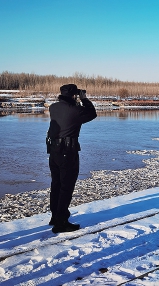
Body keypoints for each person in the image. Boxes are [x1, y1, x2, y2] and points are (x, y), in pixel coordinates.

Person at [46, 84, 97, 233]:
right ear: (74, 95)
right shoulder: (75, 110)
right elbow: (92, 113)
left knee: (56, 184)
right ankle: (61, 223)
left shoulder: (53, 108)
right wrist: (85, 99)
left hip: (54, 152)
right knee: (66, 187)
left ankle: (55, 217)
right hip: (67, 152)